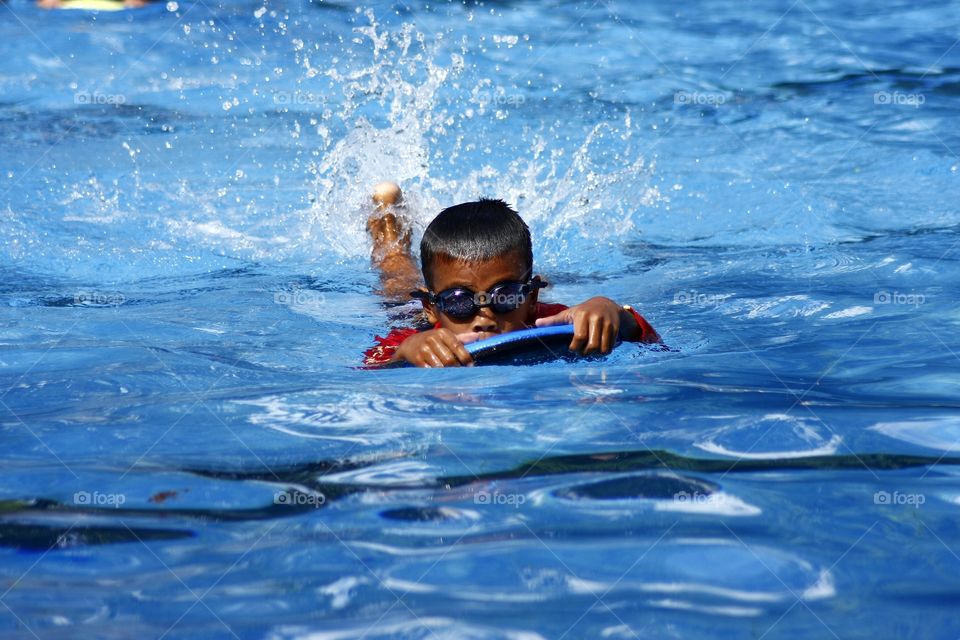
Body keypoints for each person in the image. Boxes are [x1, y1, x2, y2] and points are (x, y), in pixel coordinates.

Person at [364, 182, 659, 367]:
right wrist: (404, 353)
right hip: (414, 313)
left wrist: (611, 311)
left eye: (503, 297)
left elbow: (649, 340)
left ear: (531, 301)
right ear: (432, 308)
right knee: (398, 282)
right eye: (459, 301)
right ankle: (389, 232)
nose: (485, 319)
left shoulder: (549, 321)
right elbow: (370, 369)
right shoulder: (418, 338)